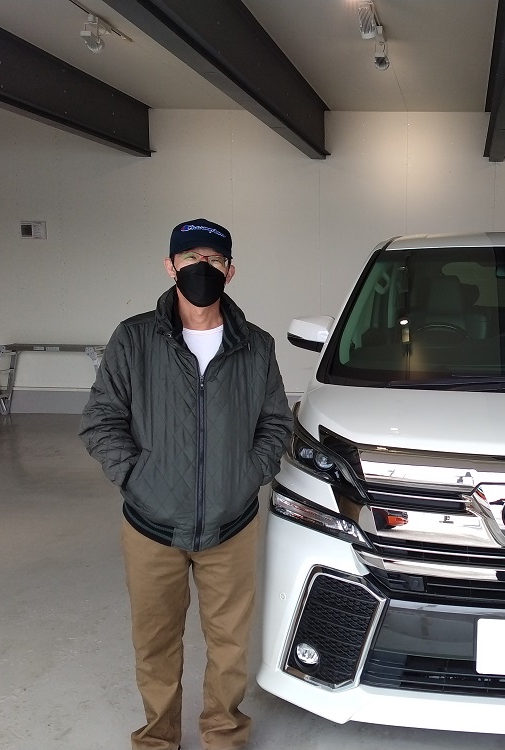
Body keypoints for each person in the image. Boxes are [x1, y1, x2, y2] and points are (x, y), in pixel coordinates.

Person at [79, 218, 292, 750]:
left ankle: (224, 735)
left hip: (231, 523)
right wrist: (137, 478)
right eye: (191, 258)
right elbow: (101, 420)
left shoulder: (256, 345)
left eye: (213, 260)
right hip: (151, 524)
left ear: (230, 271)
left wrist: (248, 475)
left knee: (229, 644)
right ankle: (158, 737)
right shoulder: (134, 339)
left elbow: (276, 423)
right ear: (170, 266)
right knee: (154, 642)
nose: (202, 268)